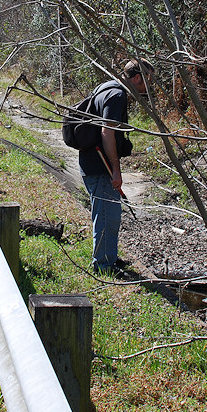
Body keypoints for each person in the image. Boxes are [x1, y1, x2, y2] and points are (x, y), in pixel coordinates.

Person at [79, 58, 154, 273]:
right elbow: (107, 132)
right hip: (99, 165)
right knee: (106, 216)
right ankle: (103, 266)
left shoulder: (106, 86)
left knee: (108, 214)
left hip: (91, 161)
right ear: (137, 77)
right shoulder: (117, 95)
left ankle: (108, 257)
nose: (148, 87)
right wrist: (116, 169)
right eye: (147, 81)